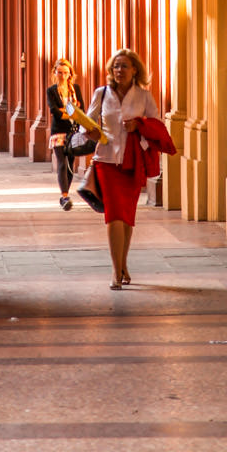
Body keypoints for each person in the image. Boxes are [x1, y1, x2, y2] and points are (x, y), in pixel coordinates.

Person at [86, 48, 163, 290]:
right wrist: (90, 131)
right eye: (116, 66)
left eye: (124, 66)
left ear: (135, 70)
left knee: (127, 217)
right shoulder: (102, 93)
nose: (119, 70)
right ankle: (114, 270)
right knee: (114, 216)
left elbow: (156, 125)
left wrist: (138, 125)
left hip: (132, 162)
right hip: (106, 161)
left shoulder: (144, 96)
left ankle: (123, 264)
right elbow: (87, 122)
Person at [46, 58, 85, 211]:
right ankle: (64, 196)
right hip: (58, 132)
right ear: (55, 73)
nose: (62, 75)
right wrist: (72, 112)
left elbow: (81, 109)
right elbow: (54, 112)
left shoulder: (76, 89)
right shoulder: (52, 91)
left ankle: (66, 194)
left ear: (70, 74)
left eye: (65, 73)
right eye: (60, 72)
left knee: (70, 164)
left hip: (73, 132)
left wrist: (68, 112)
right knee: (61, 162)